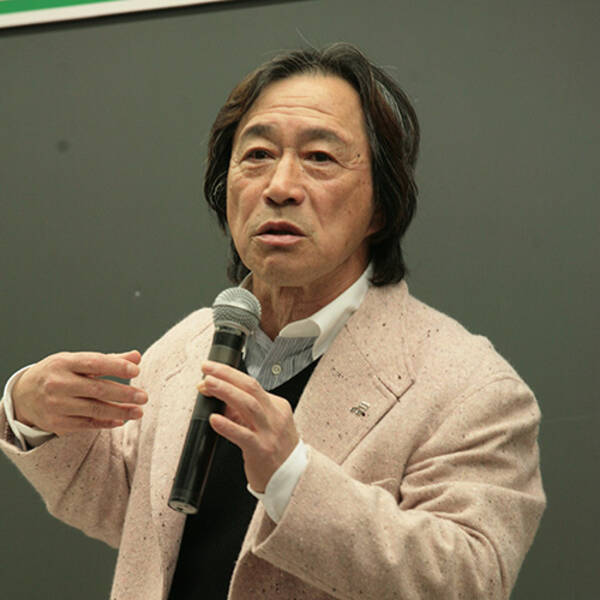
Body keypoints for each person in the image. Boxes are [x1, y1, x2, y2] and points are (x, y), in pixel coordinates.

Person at [0, 44, 545, 599]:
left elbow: (471, 579)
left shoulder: (470, 386)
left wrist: (293, 478)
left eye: (320, 158)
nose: (279, 186)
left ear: (380, 206)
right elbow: (133, 510)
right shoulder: (191, 344)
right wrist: (33, 416)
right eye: (258, 154)